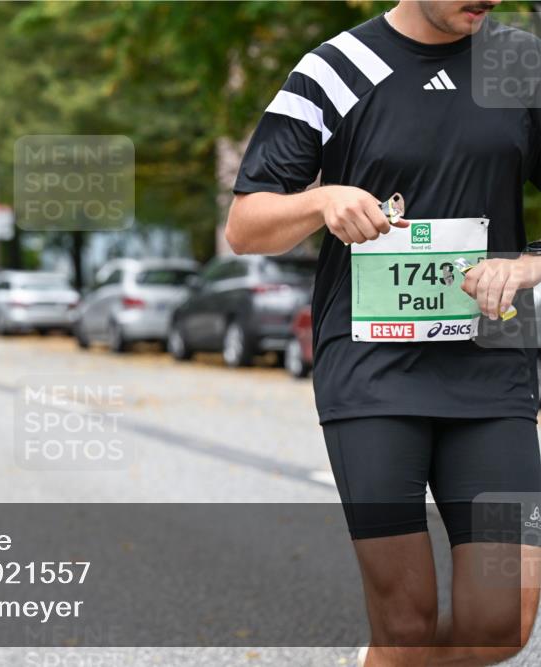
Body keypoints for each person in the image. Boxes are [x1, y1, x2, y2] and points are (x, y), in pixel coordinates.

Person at [225, 1, 540, 665]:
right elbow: (246, 224)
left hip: (493, 365)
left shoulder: (520, 64)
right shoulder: (334, 70)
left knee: (502, 620)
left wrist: (529, 262)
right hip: (372, 371)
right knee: (407, 624)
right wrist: (319, 200)